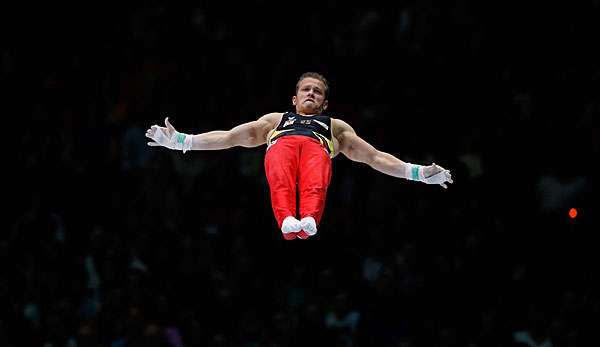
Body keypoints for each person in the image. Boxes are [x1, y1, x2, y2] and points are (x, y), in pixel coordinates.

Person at [146, 72, 453, 240]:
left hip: (315, 152)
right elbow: (229, 137)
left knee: (315, 176)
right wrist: (183, 141)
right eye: (306, 89)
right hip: (281, 146)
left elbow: (373, 157)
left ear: (325, 103)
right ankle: (288, 220)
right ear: (294, 99)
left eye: (317, 92)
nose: (311, 94)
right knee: (280, 172)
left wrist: (417, 173)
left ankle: (308, 218)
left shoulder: (335, 127)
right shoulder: (275, 120)